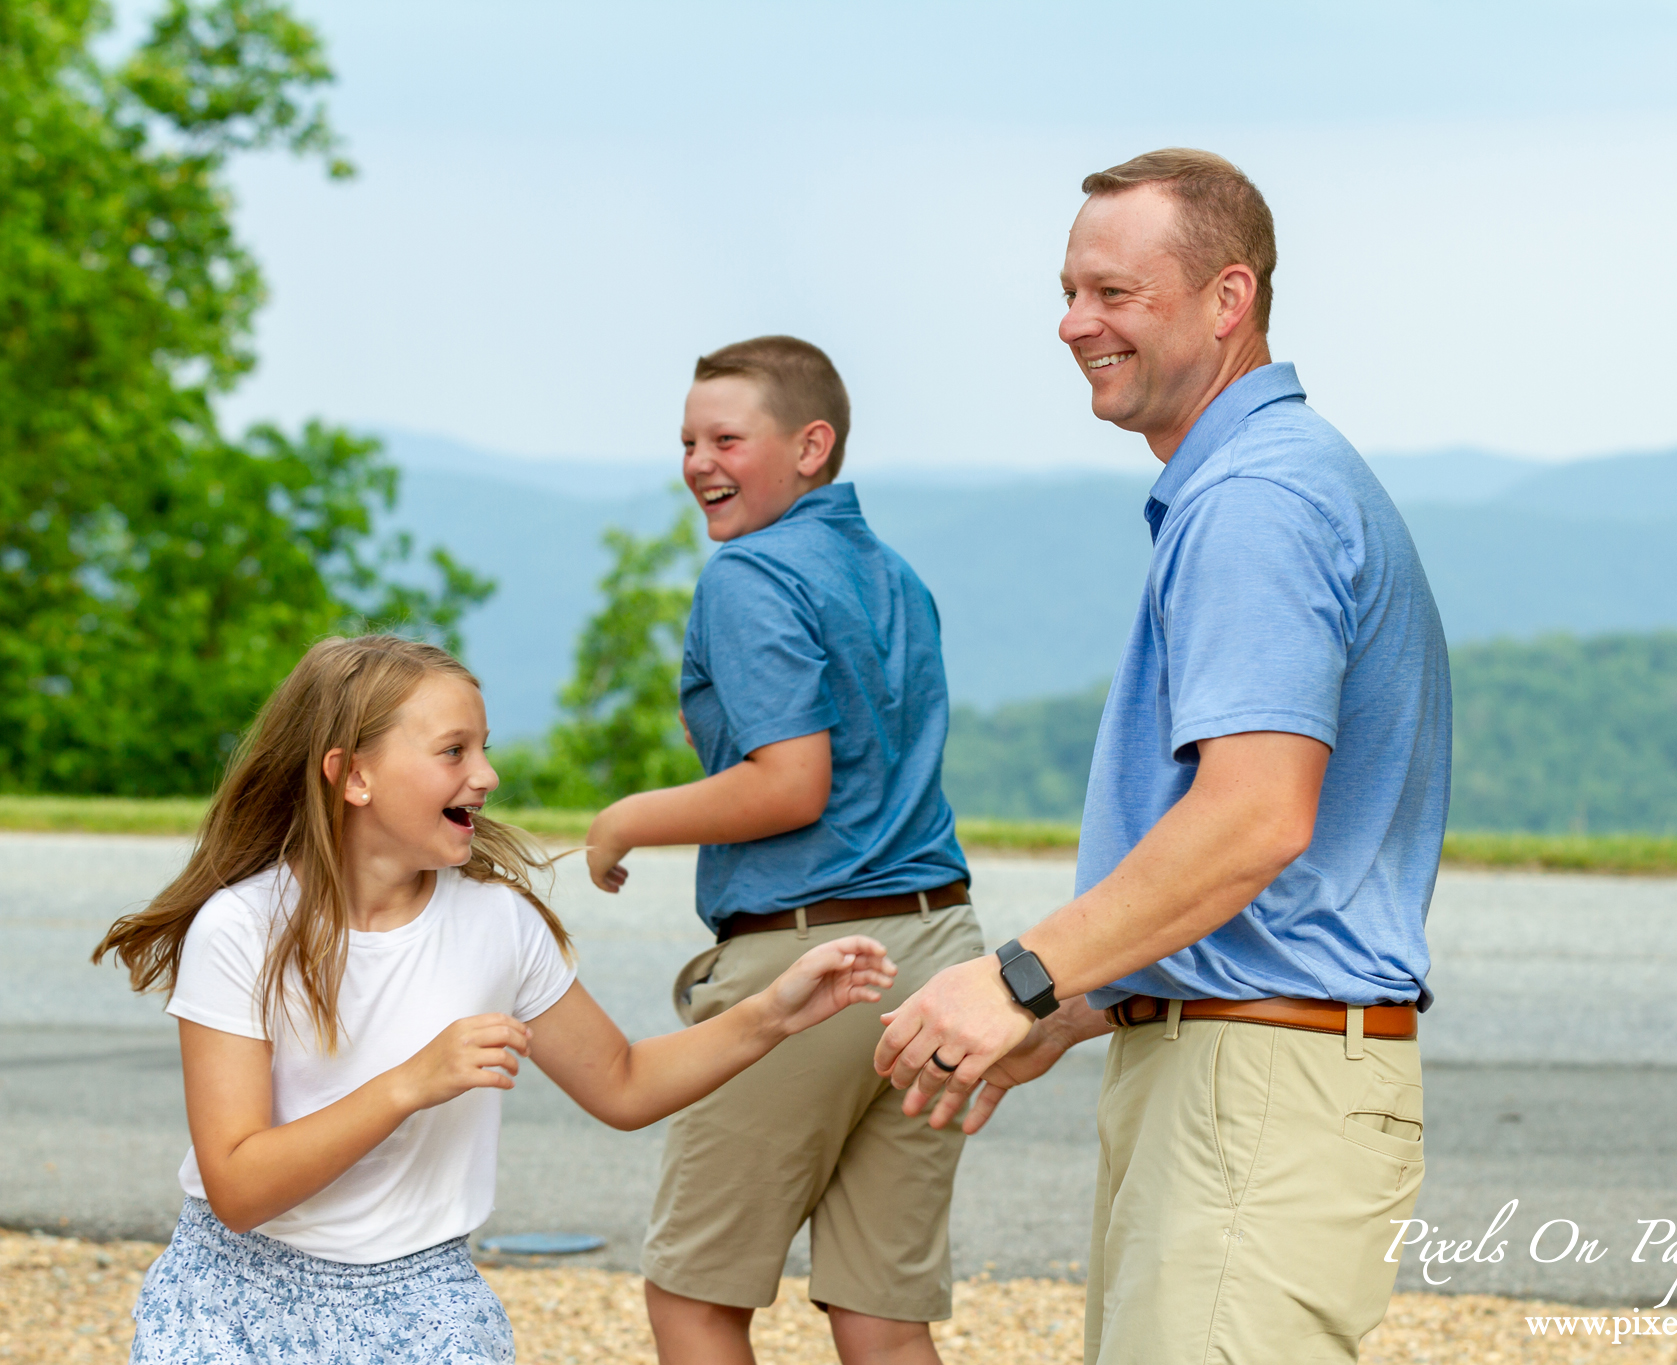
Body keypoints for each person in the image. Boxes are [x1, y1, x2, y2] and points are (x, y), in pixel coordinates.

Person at [873, 149, 1453, 1365]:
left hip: (1256, 1095)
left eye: (1114, 294)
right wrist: (1086, 1004)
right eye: (1070, 290)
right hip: (1248, 1075)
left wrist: (1016, 978)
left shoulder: (1255, 502)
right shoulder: (1261, 483)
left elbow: (1255, 820)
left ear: (1226, 300)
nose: (1073, 323)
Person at [92, 634, 894, 1365]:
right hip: (233, 1298)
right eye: (453, 750)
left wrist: (771, 1014)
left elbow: (621, 1082)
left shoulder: (496, 921)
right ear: (353, 775)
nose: (486, 774)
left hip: (424, 1305)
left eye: (483, 748)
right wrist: (411, 1082)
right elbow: (236, 1187)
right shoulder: (241, 928)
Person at [582, 335, 981, 1365]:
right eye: (686, 440)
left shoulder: (746, 574)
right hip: (939, 953)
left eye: (725, 438)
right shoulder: (893, 575)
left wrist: (625, 817)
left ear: (812, 445)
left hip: (811, 966)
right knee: (882, 1317)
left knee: (694, 1296)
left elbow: (789, 785)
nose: (698, 463)